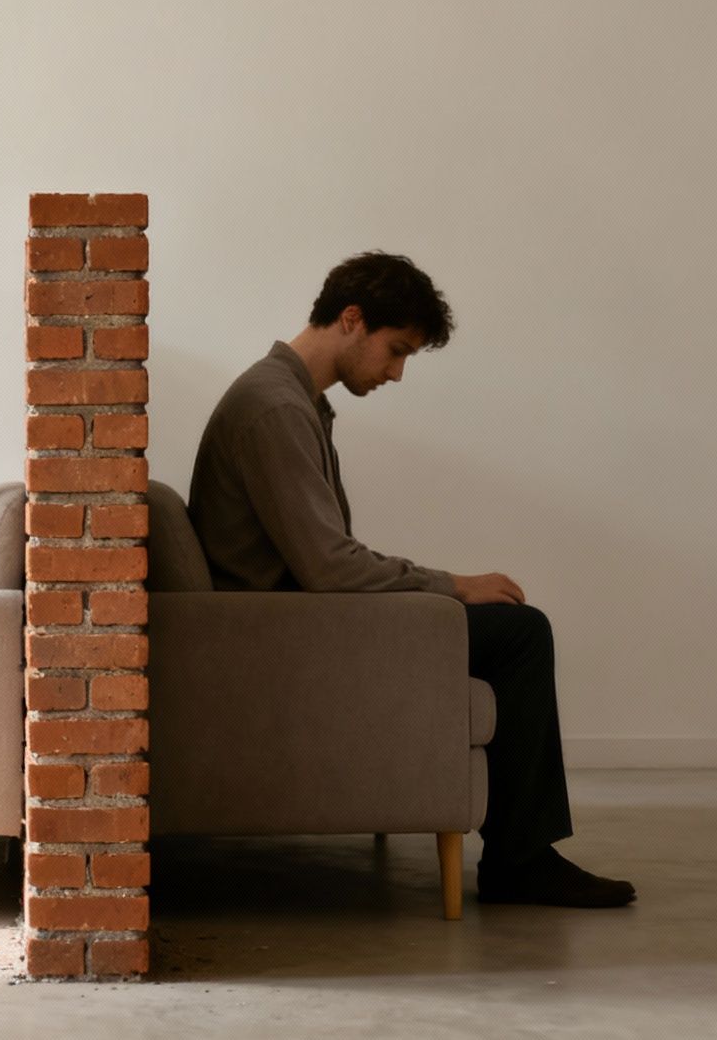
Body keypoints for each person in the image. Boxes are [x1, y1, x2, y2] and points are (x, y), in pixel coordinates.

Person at [186, 251, 636, 908]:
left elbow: (324, 558)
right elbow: (330, 566)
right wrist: (450, 585)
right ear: (350, 319)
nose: (395, 374)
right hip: (285, 638)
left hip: (292, 621)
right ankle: (520, 861)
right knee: (520, 634)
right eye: (394, 351)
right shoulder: (275, 409)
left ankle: (521, 853)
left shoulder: (293, 400)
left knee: (512, 628)